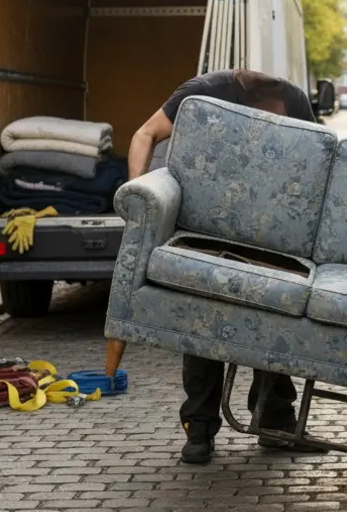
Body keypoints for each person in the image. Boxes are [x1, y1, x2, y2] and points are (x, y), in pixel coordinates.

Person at [126, 68, 326, 465]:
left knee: (273, 314)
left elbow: (320, 164)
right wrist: (136, 202)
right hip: (203, 230)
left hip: (268, 233)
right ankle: (199, 429)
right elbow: (144, 134)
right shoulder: (203, 93)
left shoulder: (295, 100)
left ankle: (276, 421)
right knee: (203, 319)